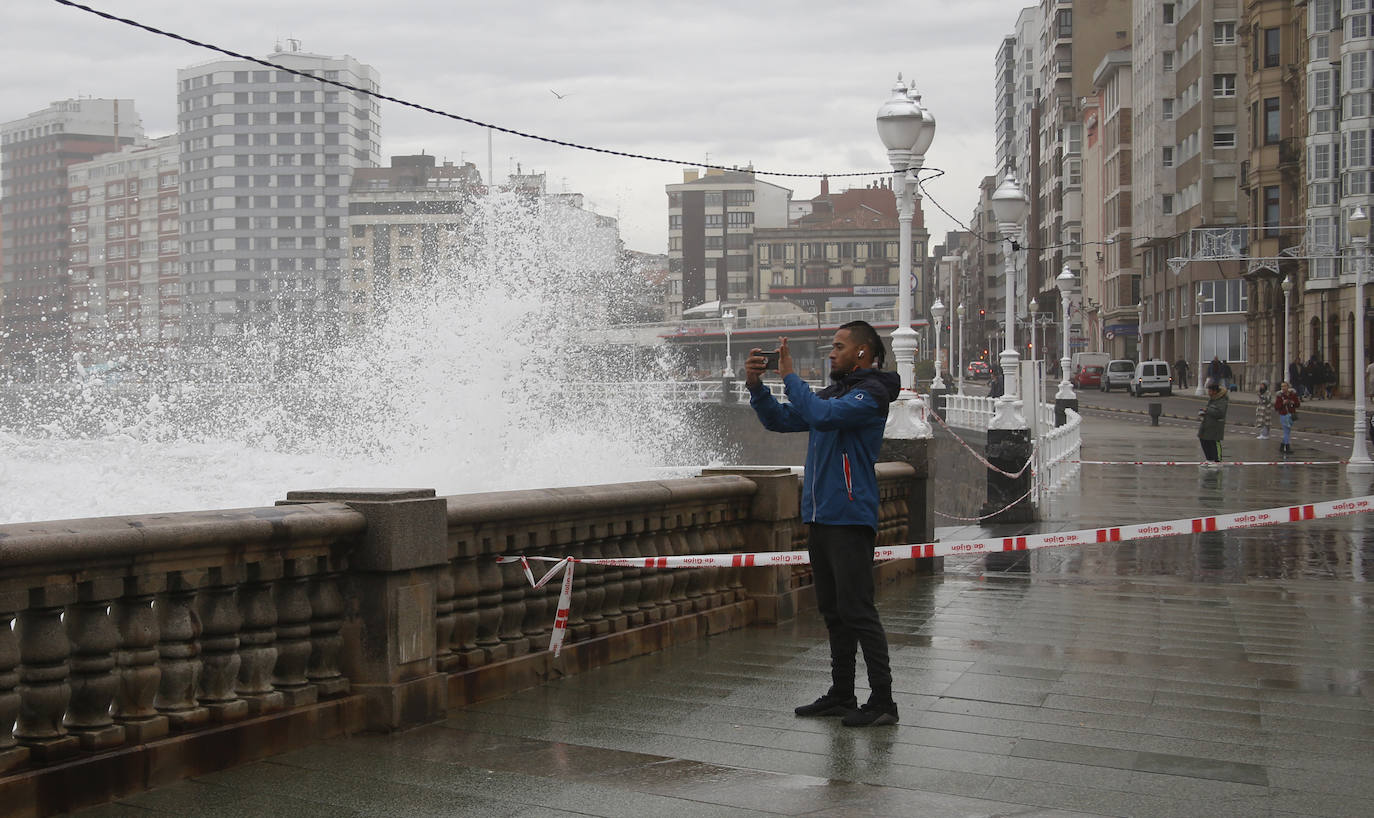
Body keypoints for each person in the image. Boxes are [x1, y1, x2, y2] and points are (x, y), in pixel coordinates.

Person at [744, 321, 901, 728]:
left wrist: (790, 374)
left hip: (850, 517)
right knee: (833, 610)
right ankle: (842, 693)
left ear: (863, 352)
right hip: (820, 516)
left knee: (858, 609)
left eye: (838, 346)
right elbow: (781, 420)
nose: (831, 353)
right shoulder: (838, 392)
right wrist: (757, 387)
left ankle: (883, 701)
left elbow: (819, 414)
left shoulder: (871, 395)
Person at [1197, 379, 1229, 467]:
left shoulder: (1222, 400)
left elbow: (1220, 413)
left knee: (1214, 442)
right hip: (1207, 424)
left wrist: (1207, 410)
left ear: (1215, 391)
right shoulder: (1212, 399)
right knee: (1203, 439)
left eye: (1210, 390)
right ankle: (1209, 459)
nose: (1208, 392)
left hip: (1216, 426)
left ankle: (1217, 460)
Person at [1275, 381, 1301, 454]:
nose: (1283, 388)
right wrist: (1283, 403)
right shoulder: (1280, 396)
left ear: (1288, 387)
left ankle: (1282, 445)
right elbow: (1276, 407)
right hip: (1283, 415)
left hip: (1291, 415)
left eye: (1285, 386)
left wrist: (1293, 402)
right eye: (1282, 386)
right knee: (1286, 431)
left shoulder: (1293, 395)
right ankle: (1287, 447)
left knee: (1288, 431)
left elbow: (1298, 404)